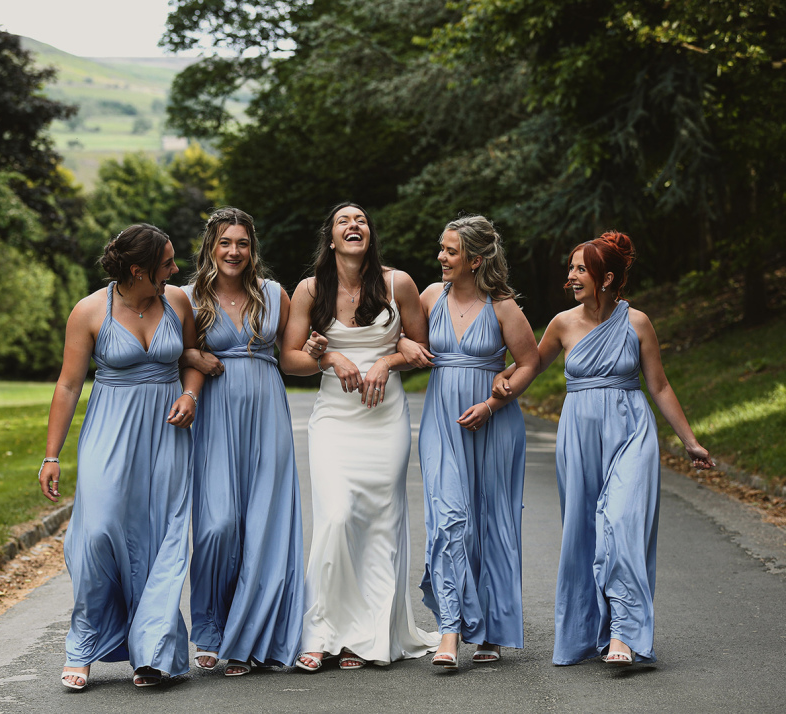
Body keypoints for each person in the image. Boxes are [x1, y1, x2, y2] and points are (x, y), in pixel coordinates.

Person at [493, 230, 714, 666]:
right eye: (571, 268)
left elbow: (660, 385)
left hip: (631, 431)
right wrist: (499, 387)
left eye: (581, 269)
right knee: (584, 532)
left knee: (622, 522)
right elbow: (529, 365)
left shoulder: (637, 323)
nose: (571, 276)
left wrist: (690, 442)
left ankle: (624, 634)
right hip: (578, 436)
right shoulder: (561, 323)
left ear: (607, 278)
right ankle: (584, 632)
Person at [38, 224, 202, 689]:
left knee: (163, 538)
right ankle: (83, 645)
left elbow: (192, 357)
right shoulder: (90, 311)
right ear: (139, 271)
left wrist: (190, 395)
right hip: (110, 431)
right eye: (167, 263)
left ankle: (153, 653)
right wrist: (51, 456)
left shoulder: (178, 302)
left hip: (167, 434)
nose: (176, 269)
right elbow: (69, 385)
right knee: (97, 533)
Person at [280, 202, 440, 671]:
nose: (355, 226)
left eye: (362, 220)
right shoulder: (310, 290)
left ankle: (364, 637)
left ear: (370, 234)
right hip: (334, 418)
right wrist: (328, 359)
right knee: (335, 516)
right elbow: (290, 358)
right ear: (331, 239)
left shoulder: (399, 284)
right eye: (343, 222)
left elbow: (421, 349)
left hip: (385, 417)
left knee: (379, 522)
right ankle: (323, 631)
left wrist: (388, 361)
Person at [398, 215, 538, 670]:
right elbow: (402, 337)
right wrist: (404, 347)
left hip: (493, 424)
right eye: (441, 248)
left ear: (475, 260)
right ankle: (451, 629)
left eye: (450, 251)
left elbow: (529, 363)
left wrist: (495, 402)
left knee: (491, 521)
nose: (441, 257)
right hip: (442, 420)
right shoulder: (430, 296)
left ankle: (492, 630)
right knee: (448, 518)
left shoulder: (503, 306)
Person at [179, 207, 304, 677]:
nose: (234, 251)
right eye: (225, 242)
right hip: (214, 413)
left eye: (243, 243)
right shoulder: (188, 298)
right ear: (211, 247)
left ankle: (248, 637)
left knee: (264, 526)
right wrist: (195, 354)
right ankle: (210, 627)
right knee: (217, 524)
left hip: (267, 409)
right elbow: (168, 348)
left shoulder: (275, 294)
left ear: (254, 249)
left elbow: (291, 356)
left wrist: (319, 351)